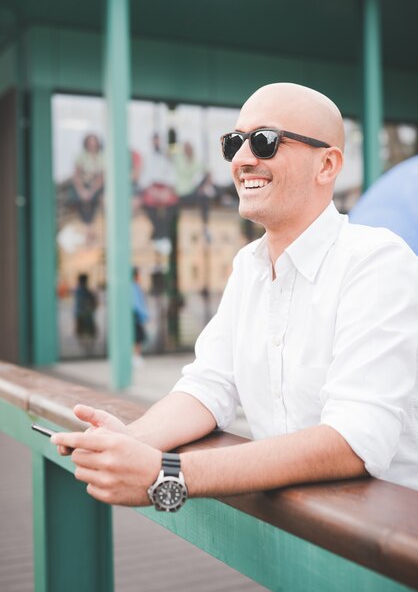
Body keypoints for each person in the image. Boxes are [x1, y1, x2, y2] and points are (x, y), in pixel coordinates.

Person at [53, 83, 418, 512]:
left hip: (386, 548)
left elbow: (354, 440)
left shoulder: (377, 262)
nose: (243, 159)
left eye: (265, 141)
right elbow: (210, 386)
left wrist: (167, 474)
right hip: (298, 539)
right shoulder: (249, 266)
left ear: (328, 165)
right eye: (233, 142)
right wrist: (128, 442)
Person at [74, 273, 97, 354]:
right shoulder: (82, 290)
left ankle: (86, 347)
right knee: (88, 331)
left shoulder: (79, 290)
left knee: (84, 331)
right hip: (85, 314)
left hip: (82, 313)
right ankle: (86, 347)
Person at [132, 267, 149, 367]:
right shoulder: (134, 287)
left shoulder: (133, 286)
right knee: (138, 338)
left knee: (136, 338)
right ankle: (136, 357)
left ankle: (136, 356)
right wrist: (144, 315)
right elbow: (137, 304)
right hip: (136, 317)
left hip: (135, 316)